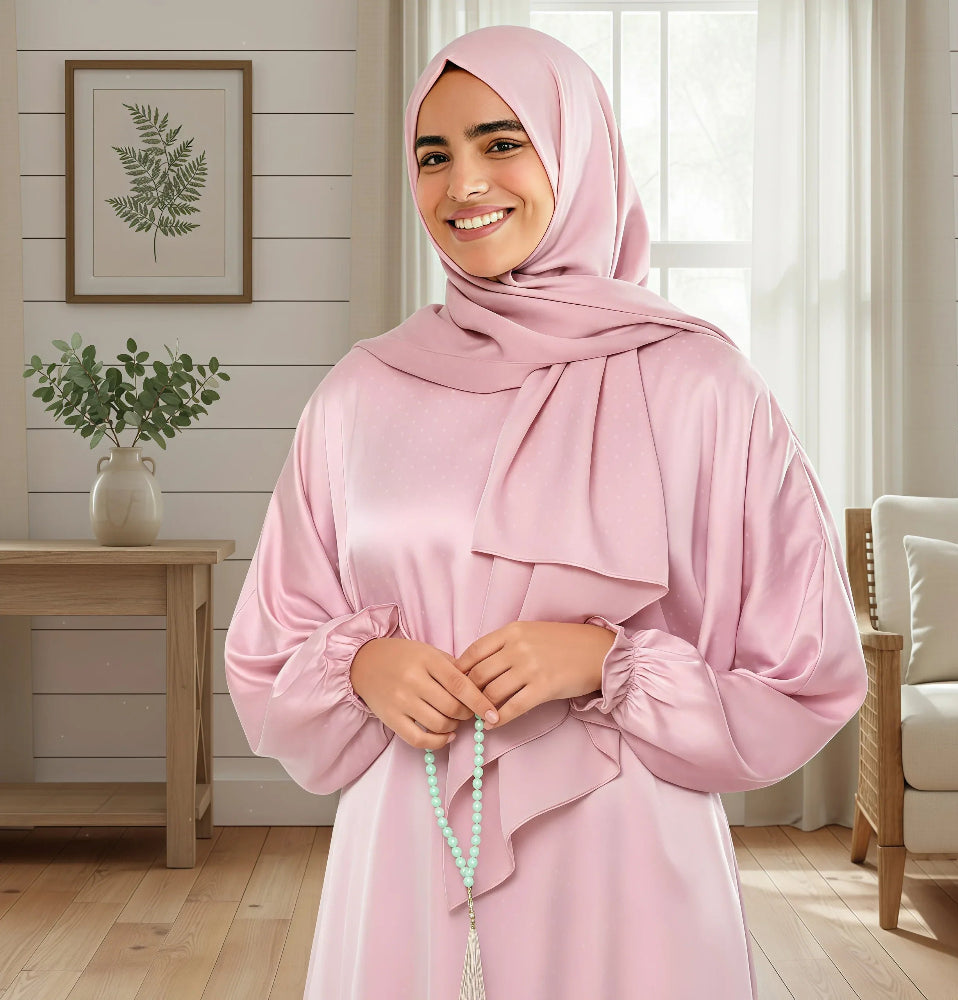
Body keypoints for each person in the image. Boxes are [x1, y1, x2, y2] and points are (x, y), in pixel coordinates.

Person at [224, 24, 869, 999]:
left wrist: (607, 662)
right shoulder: (360, 394)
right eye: (432, 157)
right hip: (407, 844)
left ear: (576, 149)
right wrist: (361, 664)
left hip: (629, 865)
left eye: (501, 142)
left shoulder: (702, 387)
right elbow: (267, 649)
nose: (463, 185)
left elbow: (809, 675)